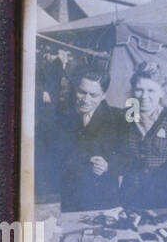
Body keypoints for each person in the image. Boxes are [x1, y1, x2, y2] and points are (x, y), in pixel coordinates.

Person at [49, 68, 128, 213]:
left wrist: (109, 166)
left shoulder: (118, 118)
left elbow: (129, 158)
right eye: (82, 92)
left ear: (103, 95)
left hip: (103, 200)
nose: (85, 100)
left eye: (93, 95)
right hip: (69, 198)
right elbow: (52, 158)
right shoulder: (60, 116)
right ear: (75, 89)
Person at [120, 62, 167, 210]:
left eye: (151, 91)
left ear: (161, 92)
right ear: (133, 91)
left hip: (163, 195)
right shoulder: (125, 116)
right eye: (139, 90)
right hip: (130, 195)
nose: (144, 96)